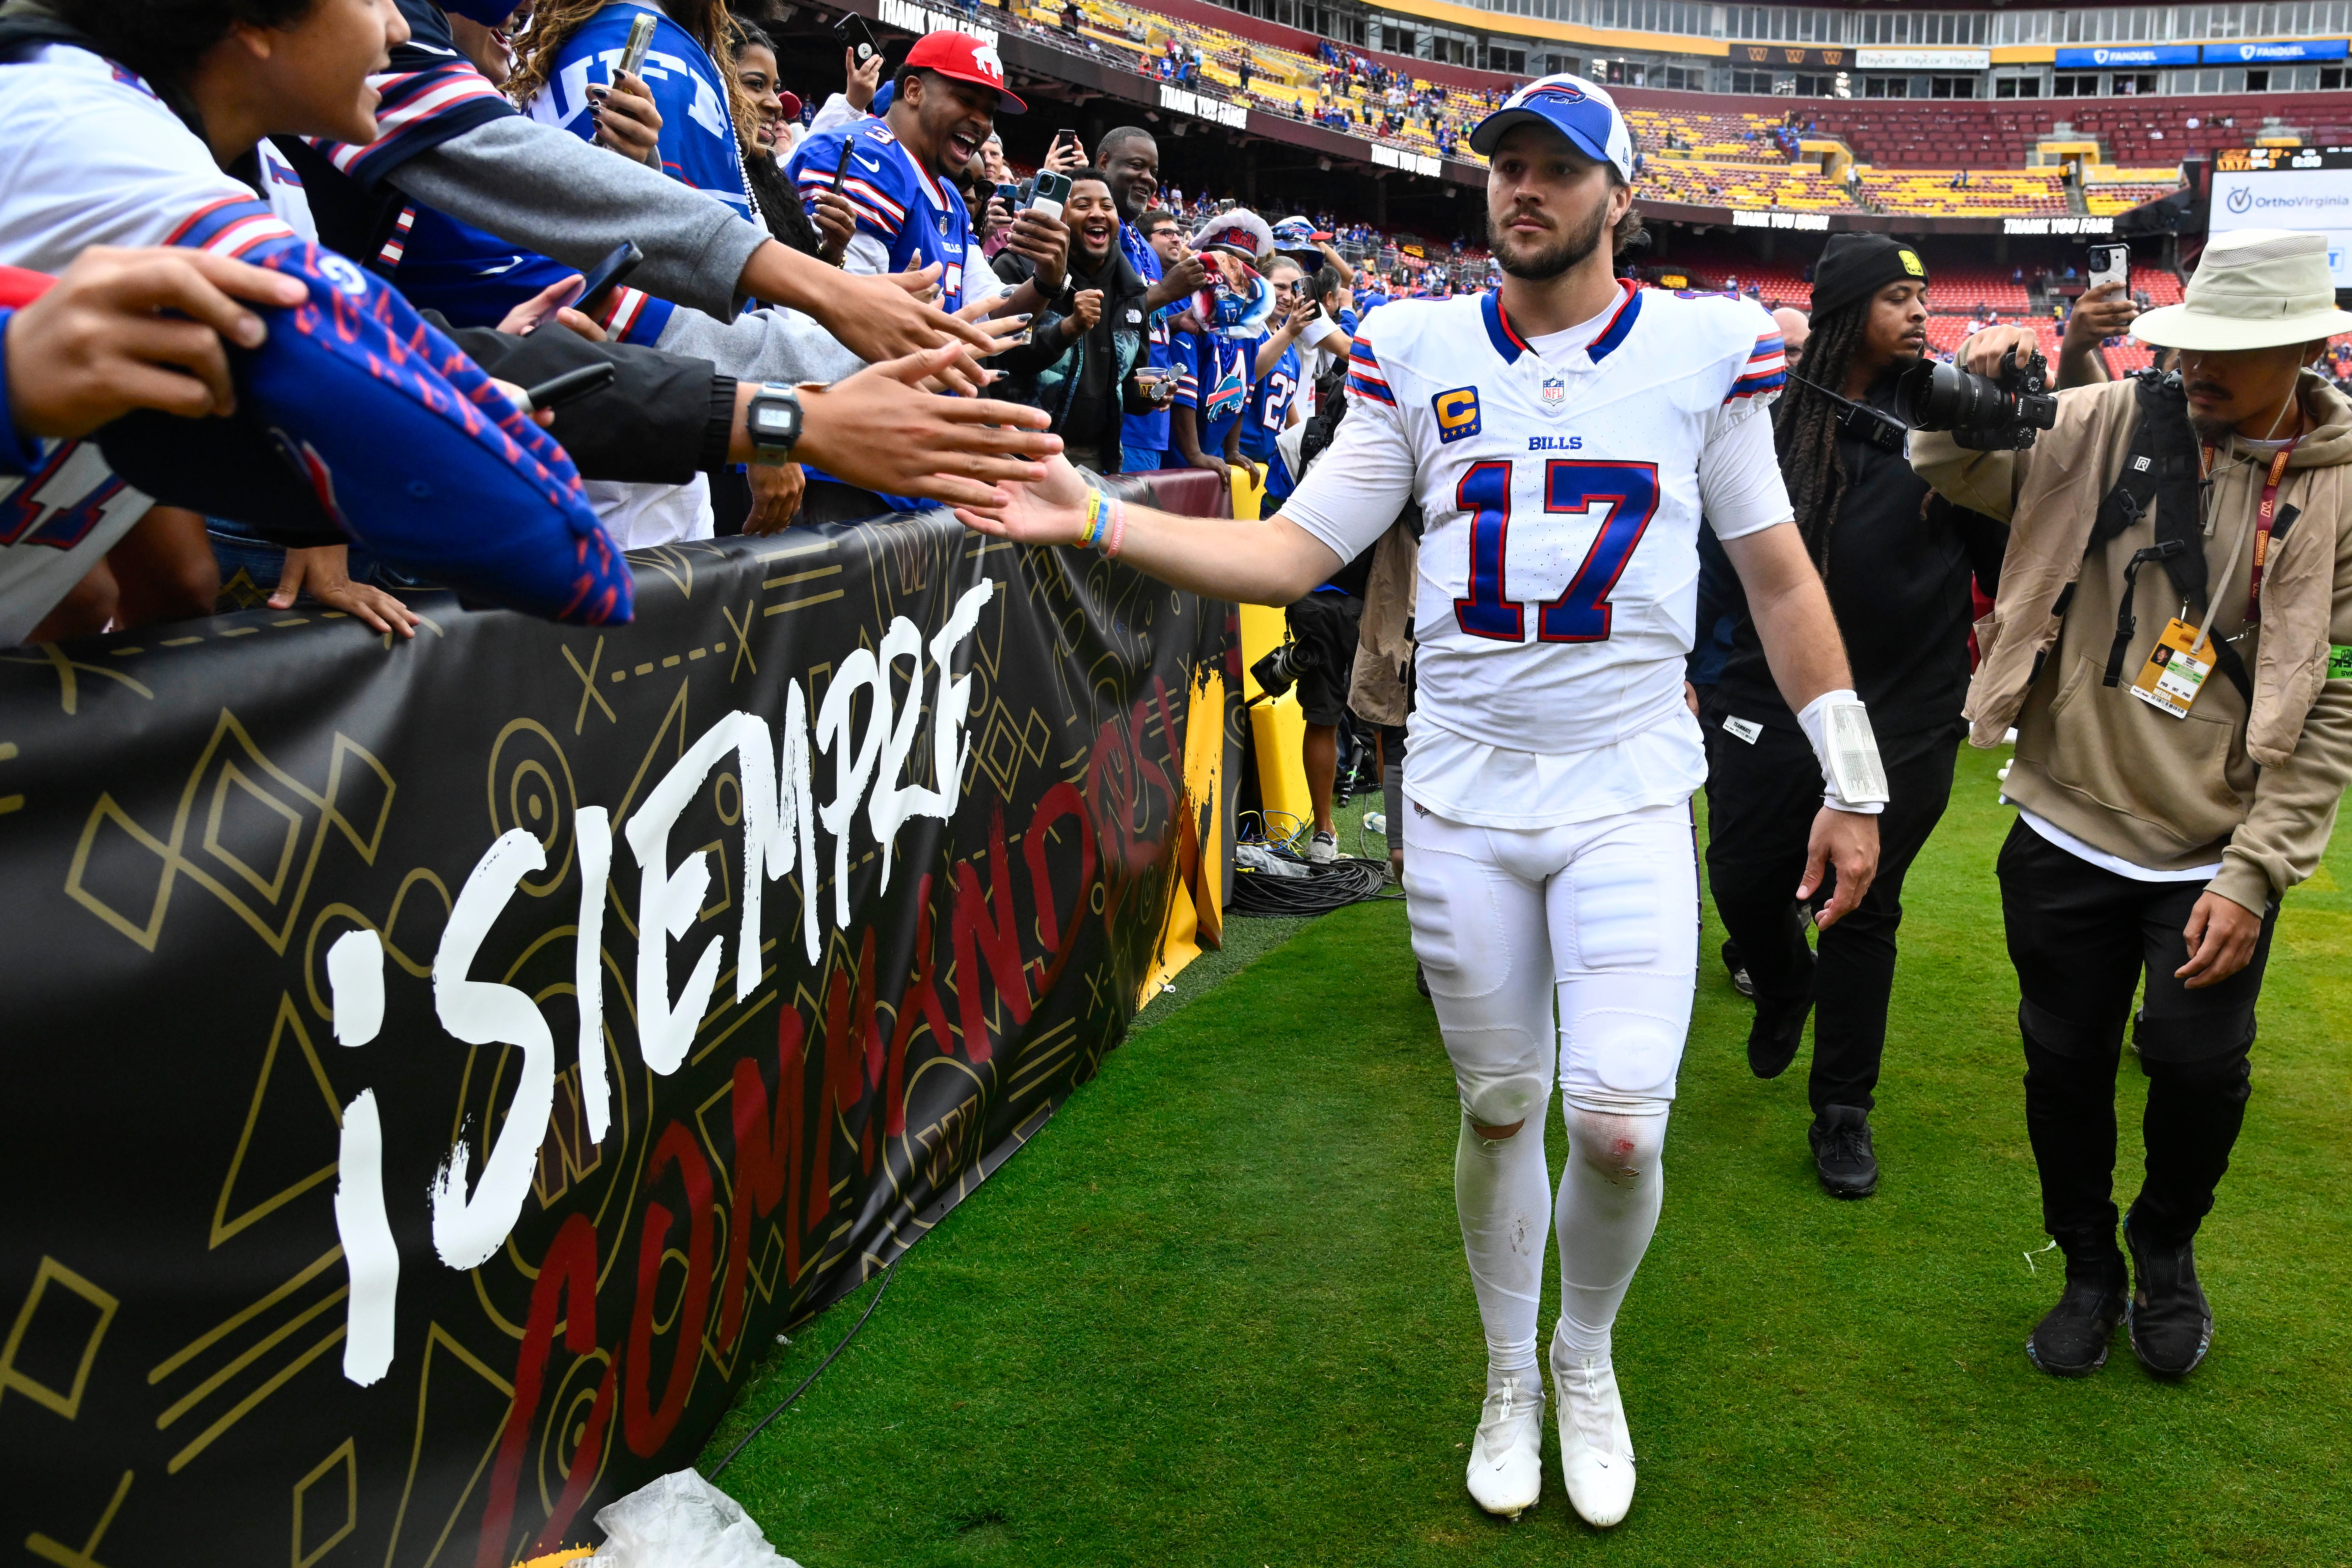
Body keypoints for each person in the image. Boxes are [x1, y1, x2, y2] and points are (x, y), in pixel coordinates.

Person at [945, 75, 1881, 1530]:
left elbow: (1774, 573)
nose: (1525, 187)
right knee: (1505, 1104)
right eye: (1506, 163)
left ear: (1618, 195)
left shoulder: (1705, 349)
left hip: (1628, 787)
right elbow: (1294, 549)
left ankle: (1585, 1353)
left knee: (1623, 1124)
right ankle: (1507, 1366)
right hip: (1458, 793)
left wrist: (1854, 775)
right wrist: (1097, 514)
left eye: (1558, 168)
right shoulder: (1416, 343)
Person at [1914, 229, 2352, 1382]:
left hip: (2209, 852)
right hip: (2062, 820)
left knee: (2195, 1069)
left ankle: (2162, 1245)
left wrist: (2252, 873)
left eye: (2229, 351)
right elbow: (1955, 466)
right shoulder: (2114, 418)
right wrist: (1980, 399)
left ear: (2304, 349)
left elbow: (2333, 707)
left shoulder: (2342, 488)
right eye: (2187, 343)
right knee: (2059, 1064)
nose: (2194, 367)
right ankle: (2083, 1265)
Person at [1701, 236, 2006, 1198]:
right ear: (1843, 313)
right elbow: (1720, 559)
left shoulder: (1954, 427)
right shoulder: (1764, 421)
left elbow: (2001, 568)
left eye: (1924, 297)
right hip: (1766, 699)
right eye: (1895, 297)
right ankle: (1782, 979)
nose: (1920, 312)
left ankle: (1842, 1109)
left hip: (1905, 713)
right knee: (1745, 883)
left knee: (1866, 908)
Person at [784, 31, 1066, 521]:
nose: (981, 122)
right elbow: (834, 332)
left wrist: (1045, 280)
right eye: (966, 99)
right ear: (913, 91)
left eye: (989, 111)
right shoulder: (862, 153)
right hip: (843, 460)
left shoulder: (947, 194)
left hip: (911, 456)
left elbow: (994, 315)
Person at [989, 170, 1165, 472]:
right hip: (1019, 456)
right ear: (1062, 216)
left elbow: (1133, 394)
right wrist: (1068, 329)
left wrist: (1156, 391)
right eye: (1083, 205)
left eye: (1107, 207)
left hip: (1096, 463)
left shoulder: (1132, 290)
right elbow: (1001, 355)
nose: (1098, 214)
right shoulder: (1018, 268)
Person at [1094, 126, 1207, 474]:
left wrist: (1174, 322)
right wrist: (1166, 293)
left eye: (1154, 172)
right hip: (1113, 421)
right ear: (1104, 163)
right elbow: (1095, 316)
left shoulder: (1144, 248)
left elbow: (1136, 318)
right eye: (1137, 166)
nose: (1148, 179)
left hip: (1150, 419)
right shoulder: (1097, 232)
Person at [1170, 209, 1274, 487]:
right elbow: (1183, 388)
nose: (1238, 269)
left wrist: (1232, 450)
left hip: (1212, 458)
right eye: (1228, 258)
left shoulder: (1249, 324)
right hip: (1176, 461)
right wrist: (1193, 453)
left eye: (1247, 263)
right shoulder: (1184, 307)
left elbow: (1244, 391)